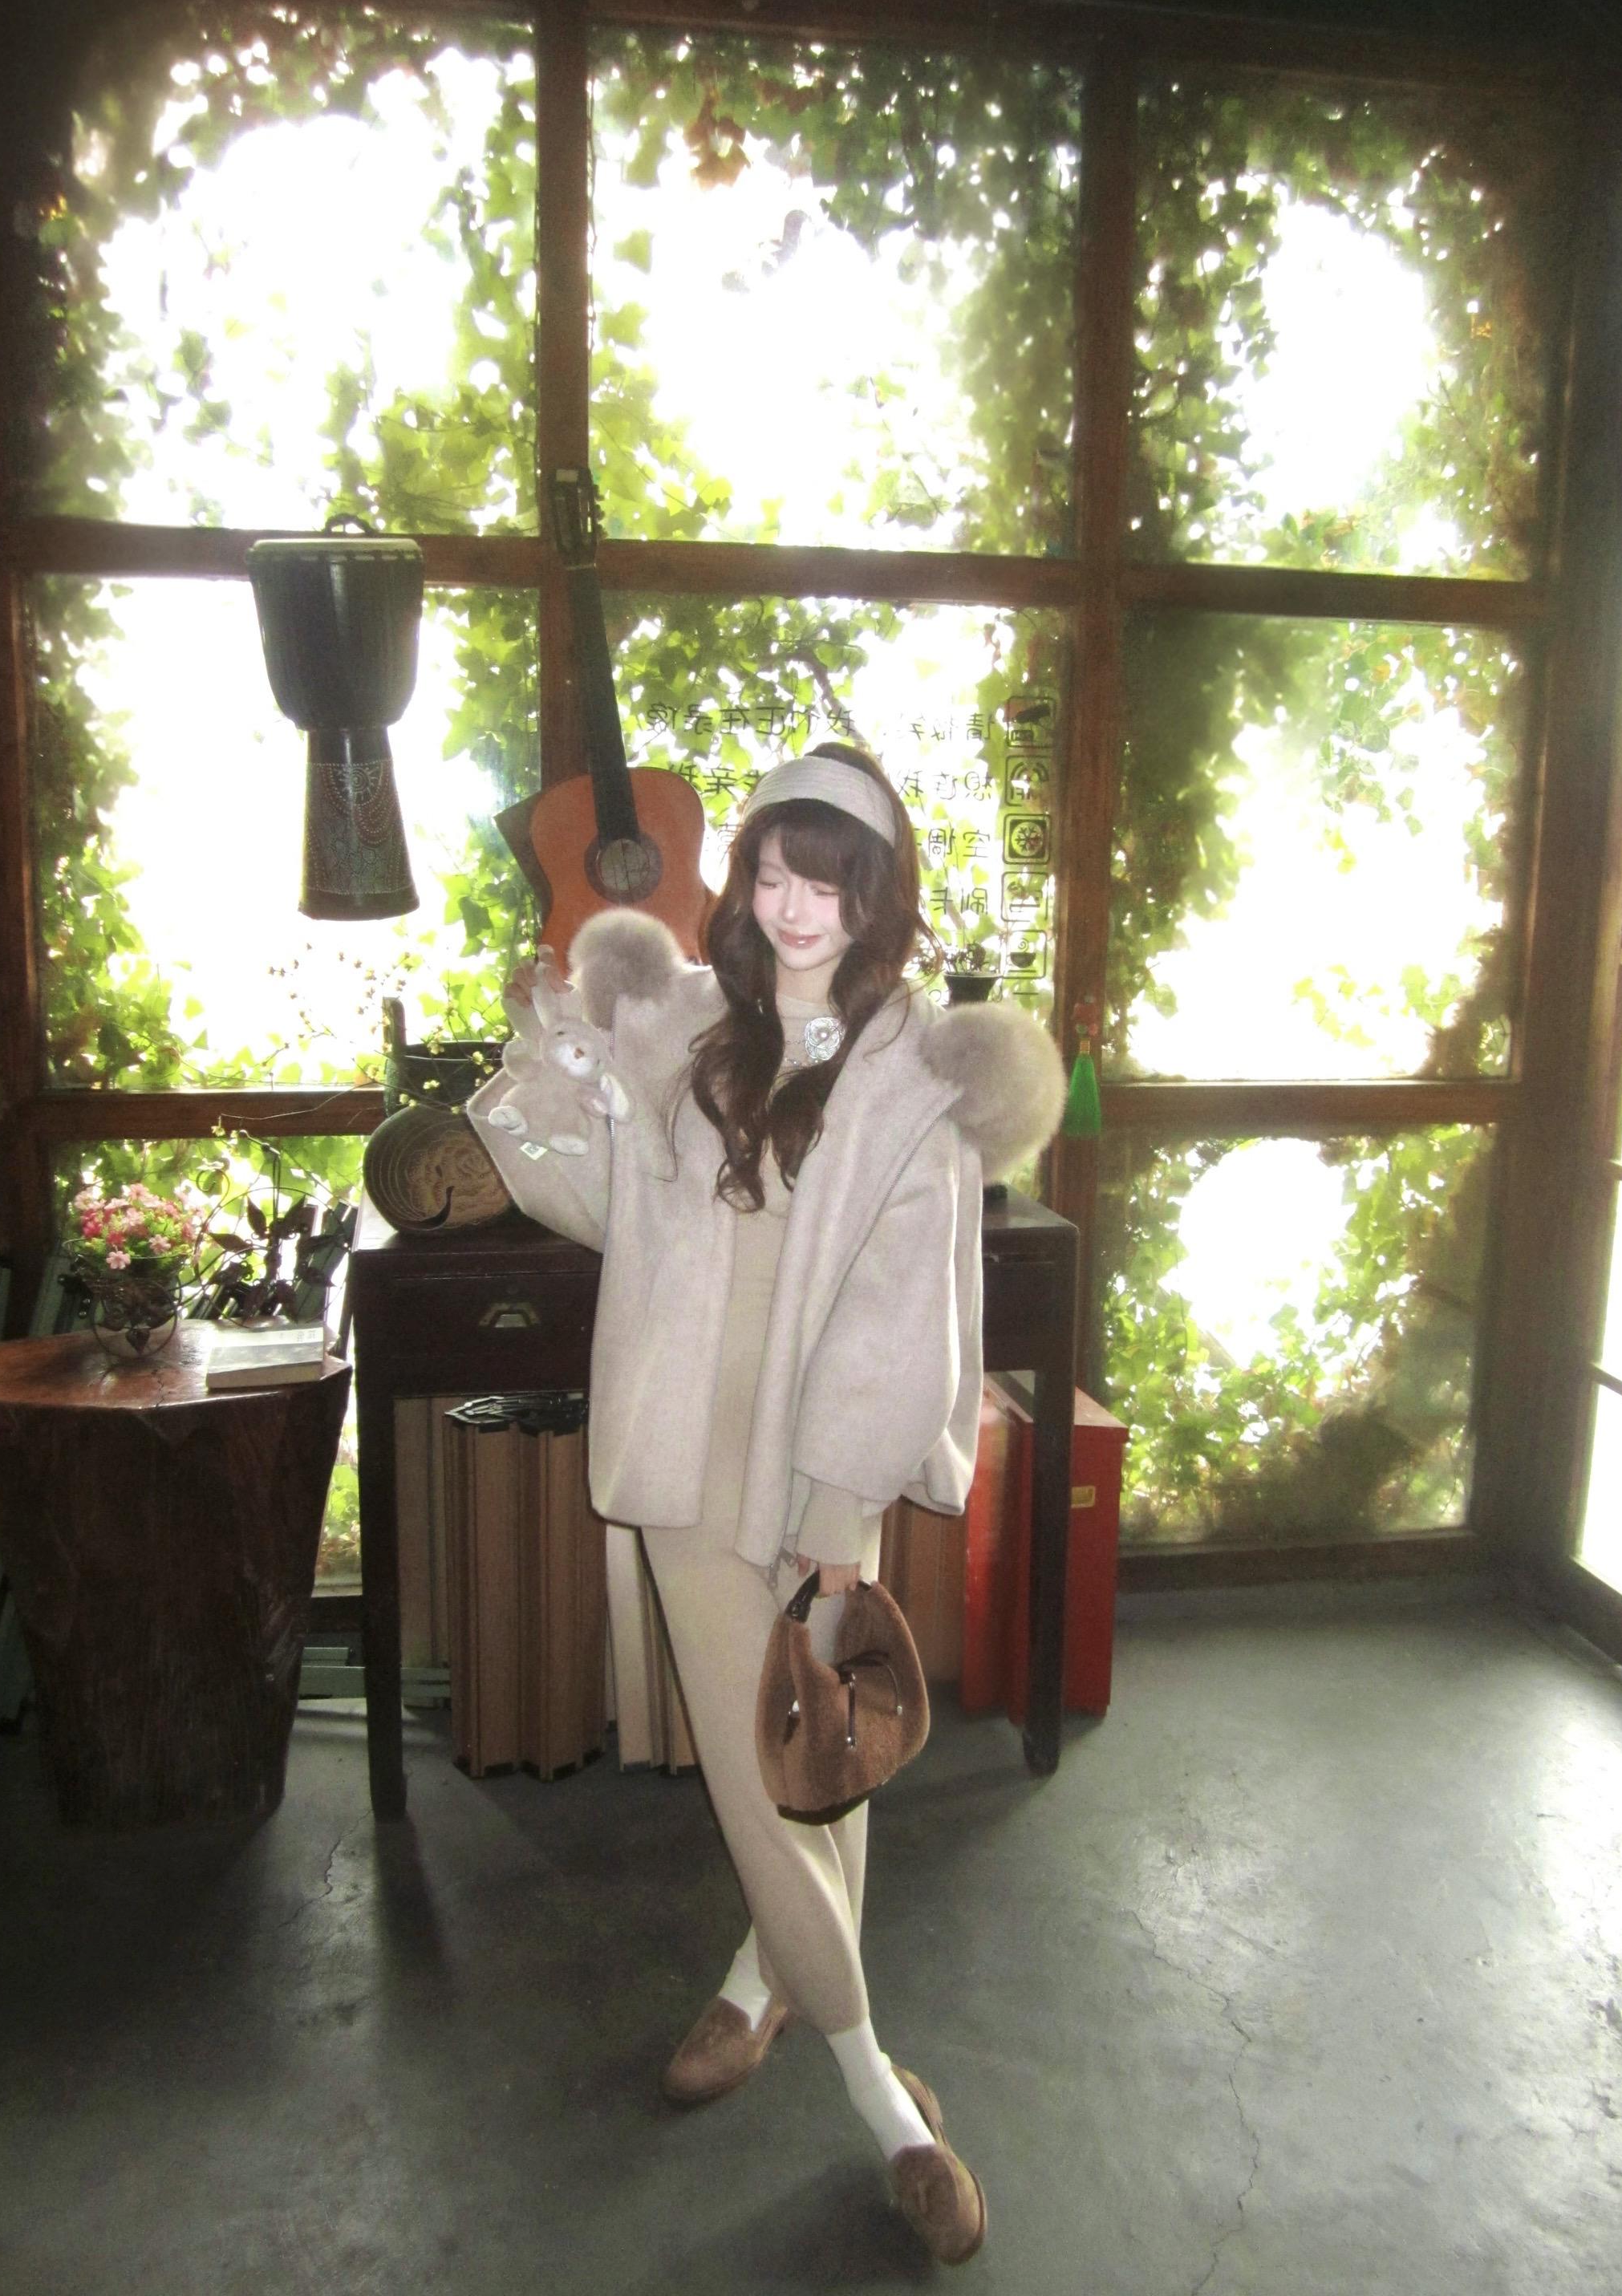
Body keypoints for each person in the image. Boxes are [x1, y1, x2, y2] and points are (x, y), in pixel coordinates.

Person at [466, 744, 1064, 2266]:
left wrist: (841, 1498)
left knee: (817, 1759)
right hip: (681, 1450)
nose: (797, 909)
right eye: (777, 875)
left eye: (831, 883)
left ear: (878, 898)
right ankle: (888, 2104)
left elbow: (903, 1309)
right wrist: (568, 1042)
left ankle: (767, 1986)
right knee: (764, 1776)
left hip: (815, 1463)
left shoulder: (916, 1071)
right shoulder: (690, 1022)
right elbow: (594, 1200)